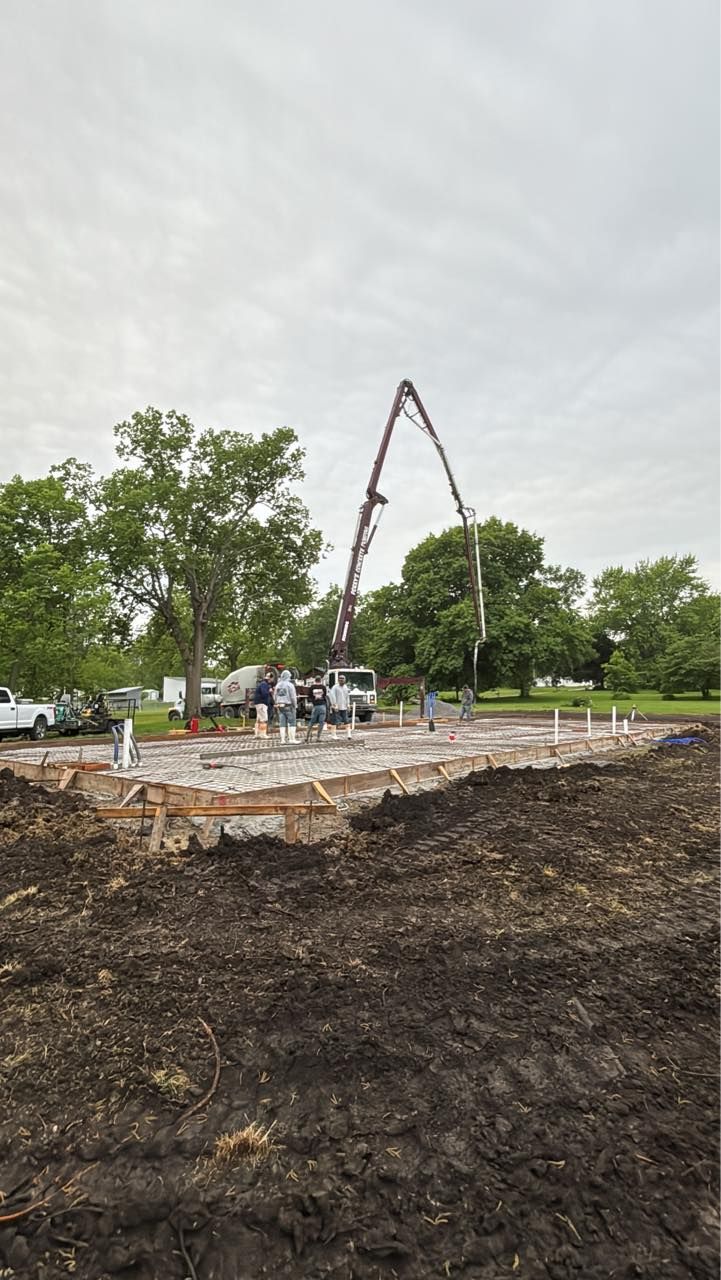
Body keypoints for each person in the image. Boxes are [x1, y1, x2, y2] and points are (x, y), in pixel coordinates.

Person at [273, 668, 298, 743]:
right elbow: (293, 697)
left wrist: (277, 703)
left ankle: (282, 739)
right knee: (292, 722)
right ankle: (292, 739)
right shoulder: (290, 685)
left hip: (280, 706)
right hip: (289, 705)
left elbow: (275, 696)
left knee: (282, 723)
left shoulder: (278, 685)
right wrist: (295, 705)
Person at [305, 676, 329, 742]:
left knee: (312, 722)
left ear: (315, 680)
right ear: (320, 680)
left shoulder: (312, 687)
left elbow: (309, 696)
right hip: (322, 706)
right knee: (321, 722)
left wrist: (313, 700)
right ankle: (318, 737)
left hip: (315, 706)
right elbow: (325, 695)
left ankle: (307, 737)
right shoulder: (323, 687)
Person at [253, 673, 272, 738]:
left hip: (258, 703)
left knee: (258, 718)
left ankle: (257, 734)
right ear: (270, 678)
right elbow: (264, 693)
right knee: (263, 719)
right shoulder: (264, 684)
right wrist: (269, 691)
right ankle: (263, 734)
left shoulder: (262, 683)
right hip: (262, 703)